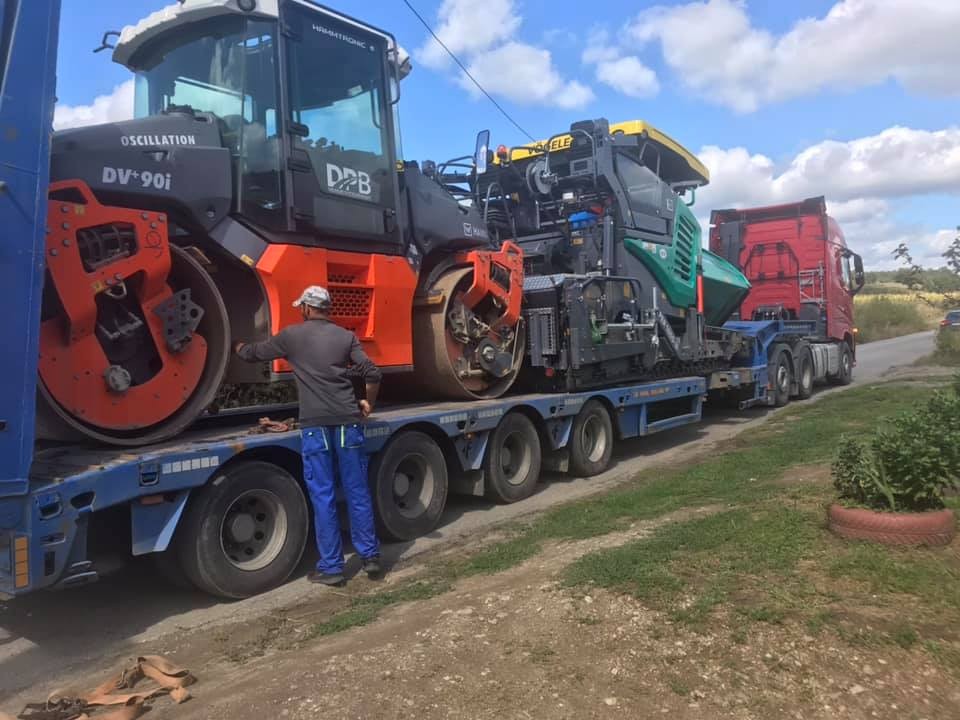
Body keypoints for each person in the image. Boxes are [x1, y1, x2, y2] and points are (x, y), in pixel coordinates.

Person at [235, 285, 383, 587]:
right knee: (357, 491)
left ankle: (332, 568)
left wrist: (236, 346)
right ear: (327, 308)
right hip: (348, 423)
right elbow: (373, 373)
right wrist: (368, 403)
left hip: (316, 427)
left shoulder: (292, 336)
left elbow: (254, 354)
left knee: (323, 496)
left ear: (306, 308)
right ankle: (370, 557)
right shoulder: (346, 337)